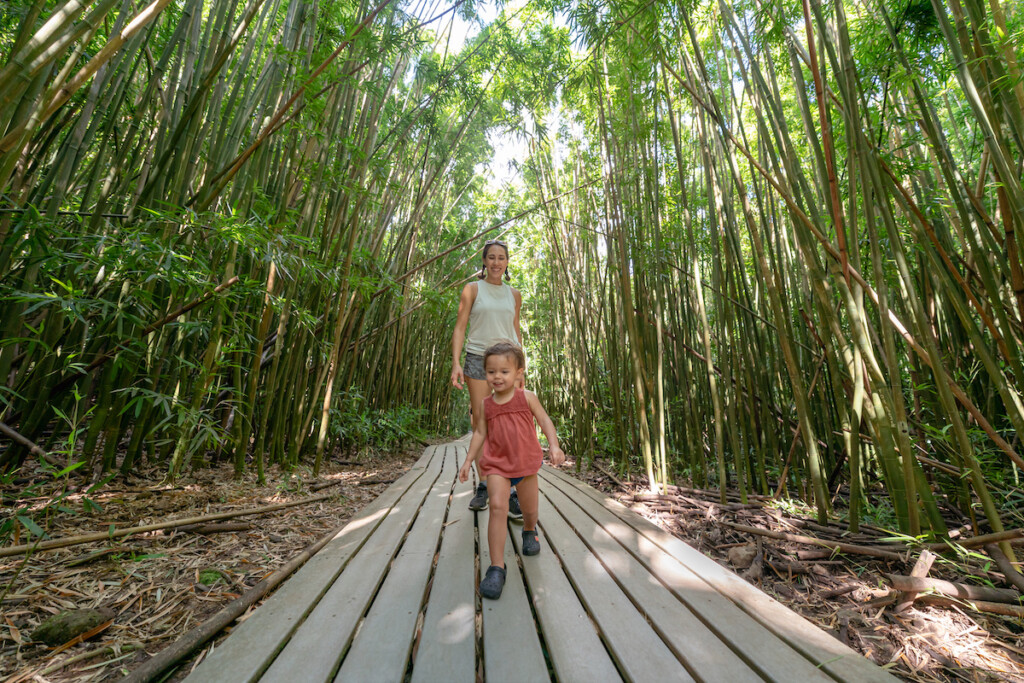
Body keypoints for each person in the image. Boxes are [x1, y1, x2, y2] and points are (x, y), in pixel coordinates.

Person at [458, 342, 566, 599]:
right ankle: (496, 566)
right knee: (497, 508)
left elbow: (544, 420)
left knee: (530, 510)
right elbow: (480, 433)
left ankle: (530, 530)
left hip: (525, 463)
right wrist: (467, 461)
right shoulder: (485, 404)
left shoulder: (526, 397)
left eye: (504, 371)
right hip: (497, 464)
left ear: (519, 372)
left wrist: (554, 446)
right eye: (491, 371)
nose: (497, 377)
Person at [451, 239, 525, 517]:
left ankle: (511, 489)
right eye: (491, 257)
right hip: (478, 359)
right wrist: (456, 363)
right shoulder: (472, 289)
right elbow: (460, 328)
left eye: (501, 258)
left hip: (508, 362)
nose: (496, 262)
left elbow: (515, 331)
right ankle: (484, 485)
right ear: (484, 261)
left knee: (507, 426)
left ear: (507, 262)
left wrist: (520, 368)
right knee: (482, 422)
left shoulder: (514, 295)